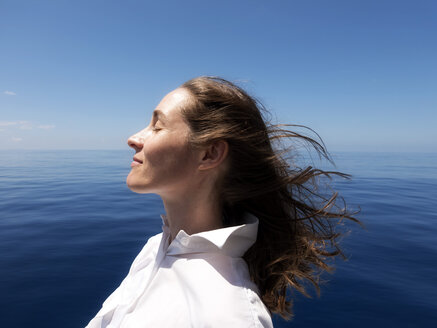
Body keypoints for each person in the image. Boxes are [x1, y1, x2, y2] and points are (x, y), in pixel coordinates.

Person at [86, 76, 357, 327]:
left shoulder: (229, 314)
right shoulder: (155, 248)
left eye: (157, 126)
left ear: (210, 154)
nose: (133, 138)